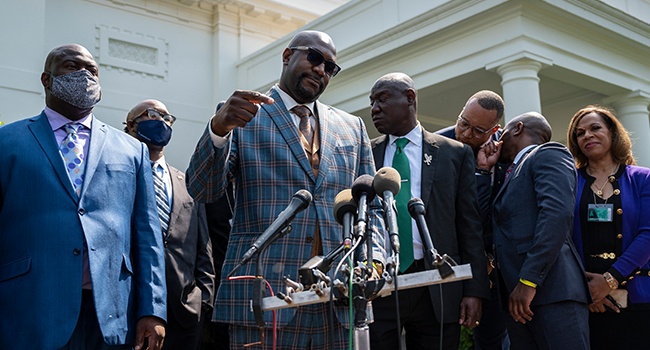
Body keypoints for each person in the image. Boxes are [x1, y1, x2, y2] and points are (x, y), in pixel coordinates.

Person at [185, 30, 386, 349]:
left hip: (340, 299)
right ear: (287, 56)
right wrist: (218, 130)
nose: (321, 69)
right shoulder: (242, 113)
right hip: (265, 297)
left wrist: (375, 261)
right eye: (315, 57)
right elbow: (203, 190)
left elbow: (371, 208)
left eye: (330, 67)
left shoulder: (352, 126)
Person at [0, 44, 166, 349]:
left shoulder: (132, 150)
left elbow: (147, 236)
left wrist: (152, 311)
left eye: (92, 70)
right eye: (71, 67)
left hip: (113, 315)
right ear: (46, 80)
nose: (84, 75)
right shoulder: (6, 142)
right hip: (29, 310)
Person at [368, 72, 490, 350]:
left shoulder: (454, 153)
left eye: (382, 99)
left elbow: (469, 225)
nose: (374, 108)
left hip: (437, 285)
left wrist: (474, 290)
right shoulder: (365, 153)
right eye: (372, 101)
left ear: (409, 97)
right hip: (380, 284)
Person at [486, 112, 591, 350]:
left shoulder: (549, 153)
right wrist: (484, 170)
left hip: (552, 293)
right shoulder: (507, 174)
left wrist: (528, 280)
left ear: (517, 128)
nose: (497, 140)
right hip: (517, 299)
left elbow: (556, 215)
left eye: (500, 133)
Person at [125, 99, 215, 350]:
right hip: (132, 307)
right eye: (154, 114)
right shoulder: (118, 175)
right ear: (131, 125)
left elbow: (202, 247)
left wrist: (203, 300)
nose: (163, 121)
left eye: (168, 118)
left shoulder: (187, 182)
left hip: (185, 313)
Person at [566, 106, 650, 350]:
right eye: (580, 133)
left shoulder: (643, 178)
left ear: (612, 133)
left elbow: (647, 235)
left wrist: (608, 281)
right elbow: (562, 239)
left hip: (639, 301)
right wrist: (586, 290)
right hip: (587, 304)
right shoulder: (568, 181)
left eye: (595, 128)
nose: (587, 136)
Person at [436, 91, 509, 350]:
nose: (466, 134)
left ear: (494, 130)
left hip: (495, 269)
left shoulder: (506, 152)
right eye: (463, 123)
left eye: (478, 130)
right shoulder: (437, 145)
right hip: (448, 263)